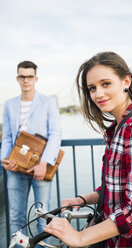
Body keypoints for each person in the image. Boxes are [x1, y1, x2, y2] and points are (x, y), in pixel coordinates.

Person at [44, 52, 132, 248]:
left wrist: (80, 238)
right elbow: (115, 187)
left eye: (105, 84)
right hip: (111, 237)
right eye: (92, 88)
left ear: (126, 81)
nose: (98, 94)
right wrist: (82, 199)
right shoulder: (118, 128)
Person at [1, 61, 61, 247]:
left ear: (35, 78)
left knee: (42, 216)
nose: (26, 80)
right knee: (16, 216)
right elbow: (8, 136)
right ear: (18, 78)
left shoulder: (48, 102)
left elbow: (55, 134)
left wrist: (44, 163)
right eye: (22, 76)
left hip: (40, 167)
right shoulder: (9, 104)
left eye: (29, 76)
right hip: (15, 167)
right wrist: (4, 159)